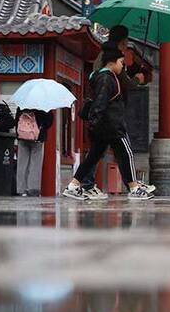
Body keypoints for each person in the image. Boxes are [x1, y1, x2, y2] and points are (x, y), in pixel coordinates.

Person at [63, 47, 153, 201]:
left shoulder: (101, 76)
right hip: (112, 126)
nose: (122, 66)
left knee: (93, 156)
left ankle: (73, 185)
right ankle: (134, 188)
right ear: (112, 62)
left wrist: (94, 124)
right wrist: (95, 121)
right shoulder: (106, 78)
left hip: (103, 126)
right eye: (121, 62)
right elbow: (100, 103)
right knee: (126, 154)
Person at [15, 108, 54, 196]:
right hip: (37, 138)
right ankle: (33, 189)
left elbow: (16, 120)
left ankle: (21, 190)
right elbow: (49, 122)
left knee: (21, 164)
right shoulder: (43, 106)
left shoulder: (22, 105)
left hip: (22, 137)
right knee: (35, 164)